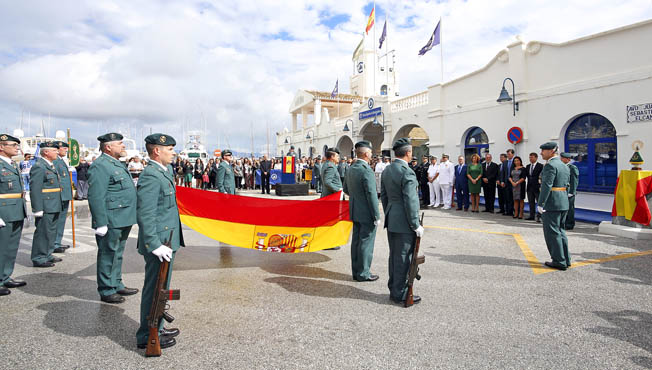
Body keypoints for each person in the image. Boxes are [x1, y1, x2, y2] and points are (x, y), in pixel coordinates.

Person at [136, 133, 185, 351]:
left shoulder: (163, 172)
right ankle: (147, 335)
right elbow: (146, 213)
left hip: (167, 240)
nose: (173, 152)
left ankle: (159, 326)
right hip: (159, 243)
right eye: (170, 149)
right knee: (154, 289)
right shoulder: (151, 176)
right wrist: (154, 244)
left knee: (161, 288)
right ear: (157, 151)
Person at [87, 133, 139, 304]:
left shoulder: (115, 163)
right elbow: (96, 196)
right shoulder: (101, 165)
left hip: (123, 217)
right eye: (120, 144)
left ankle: (116, 283)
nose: (123, 146)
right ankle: (106, 289)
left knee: (118, 253)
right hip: (111, 218)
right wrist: (100, 222)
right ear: (108, 147)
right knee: (108, 253)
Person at [380, 138, 424, 305]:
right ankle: (400, 292)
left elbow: (383, 196)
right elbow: (411, 201)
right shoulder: (407, 172)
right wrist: (415, 224)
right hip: (405, 221)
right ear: (408, 153)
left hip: (392, 218)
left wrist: (390, 213)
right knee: (403, 257)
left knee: (395, 256)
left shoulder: (388, 170)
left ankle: (394, 287)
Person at [343, 140, 380, 282]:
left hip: (355, 210)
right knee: (366, 242)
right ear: (365, 154)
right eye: (370, 152)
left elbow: (346, 189)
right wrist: (376, 215)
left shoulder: (351, 168)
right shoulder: (366, 170)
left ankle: (356, 271)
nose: (371, 155)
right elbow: (371, 194)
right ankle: (364, 273)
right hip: (366, 212)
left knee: (357, 242)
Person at [0, 134, 28, 296]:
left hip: (16, 209)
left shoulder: (11, 164)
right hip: (3, 211)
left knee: (11, 247)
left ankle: (5, 276)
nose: (17, 147)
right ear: (2, 147)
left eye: (18, 145)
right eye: (13, 145)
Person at [29, 141, 62, 268]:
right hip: (46, 205)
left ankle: (47, 254)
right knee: (43, 232)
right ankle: (38, 257)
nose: (57, 152)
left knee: (51, 231)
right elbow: (35, 188)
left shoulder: (50, 165)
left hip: (54, 204)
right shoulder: (39, 166)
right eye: (54, 150)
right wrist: (37, 208)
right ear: (46, 152)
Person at [538, 142, 571, 270]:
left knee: (552, 232)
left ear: (551, 151)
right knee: (561, 231)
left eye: (543, 151)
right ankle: (566, 259)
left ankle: (558, 261)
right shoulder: (564, 165)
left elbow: (546, 186)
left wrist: (541, 203)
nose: (541, 153)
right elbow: (567, 185)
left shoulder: (550, 165)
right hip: (562, 202)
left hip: (552, 203)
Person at [52, 141, 73, 254]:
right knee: (57, 221)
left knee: (61, 221)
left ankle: (57, 242)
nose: (66, 150)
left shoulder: (61, 161)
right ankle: (54, 243)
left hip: (64, 195)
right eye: (64, 148)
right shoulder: (55, 161)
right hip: (59, 195)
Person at [560, 152, 579, 230]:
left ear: (568, 159)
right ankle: (564, 223)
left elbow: (574, 180)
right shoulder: (562, 167)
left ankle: (570, 224)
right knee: (563, 208)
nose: (561, 159)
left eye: (563, 158)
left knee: (570, 209)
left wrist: (572, 191)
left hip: (569, 191)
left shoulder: (572, 167)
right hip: (562, 191)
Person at [525, 153, 544, 222]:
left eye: (532, 157)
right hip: (529, 187)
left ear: (536, 158)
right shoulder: (528, 166)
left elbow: (542, 176)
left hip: (537, 187)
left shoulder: (540, 166)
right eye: (530, 157)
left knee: (539, 202)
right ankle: (531, 215)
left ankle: (539, 216)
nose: (530, 159)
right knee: (531, 202)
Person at [500, 149, 516, 216]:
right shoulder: (505, 162)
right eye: (507, 155)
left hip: (513, 182)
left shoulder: (515, 162)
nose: (508, 156)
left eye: (509, 154)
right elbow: (503, 173)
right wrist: (502, 181)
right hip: (506, 182)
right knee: (507, 197)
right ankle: (508, 211)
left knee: (513, 197)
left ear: (512, 154)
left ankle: (513, 211)